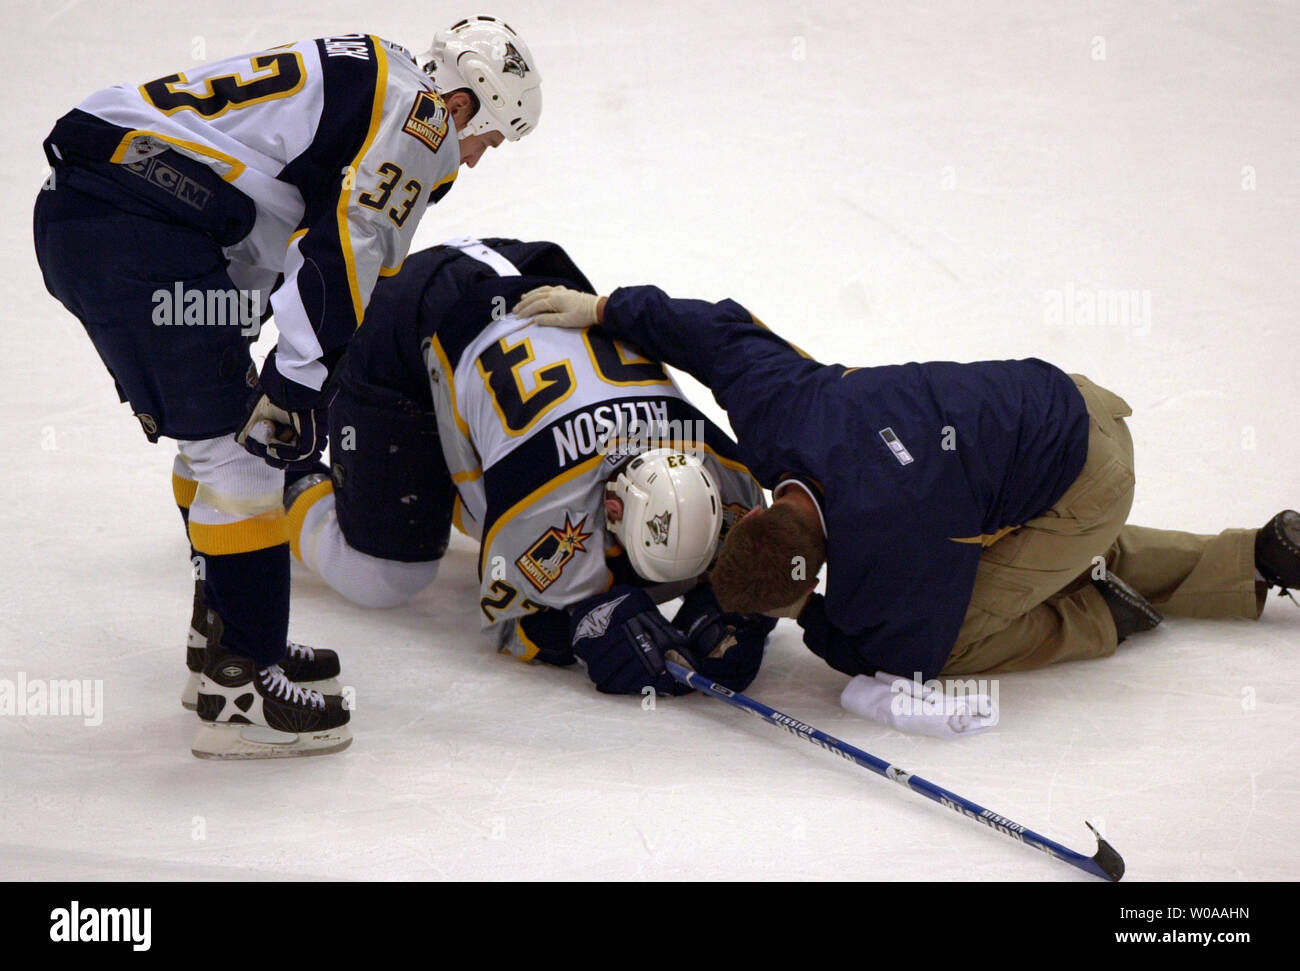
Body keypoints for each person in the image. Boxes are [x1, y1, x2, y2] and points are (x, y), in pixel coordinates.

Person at [33, 18, 542, 758]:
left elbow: (271, 217)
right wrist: (298, 382)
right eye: (489, 137)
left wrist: (284, 367)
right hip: (130, 221)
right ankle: (241, 684)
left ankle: (228, 635)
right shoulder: (423, 120)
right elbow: (351, 240)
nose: (477, 156)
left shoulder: (381, 73)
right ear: (465, 103)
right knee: (243, 454)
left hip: (112, 209)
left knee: (222, 440)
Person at [511, 284, 1300, 720]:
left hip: (1087, 482)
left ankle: (1099, 614)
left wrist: (808, 617)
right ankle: (1257, 556)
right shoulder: (783, 411)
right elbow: (719, 333)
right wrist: (609, 308)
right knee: (1001, 549)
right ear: (749, 511)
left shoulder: (891, 550)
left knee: (959, 640)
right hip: (1068, 398)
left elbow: (899, 655)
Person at [284, 238, 776, 696]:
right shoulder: (544, 503)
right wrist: (578, 629)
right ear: (610, 505)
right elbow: (510, 620)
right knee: (379, 578)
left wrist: (740, 608)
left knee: (496, 491)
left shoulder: (738, 483)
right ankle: (271, 473)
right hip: (424, 312)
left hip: (539, 289)